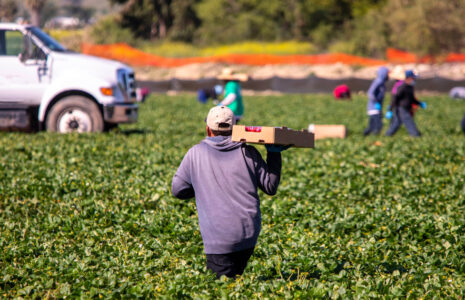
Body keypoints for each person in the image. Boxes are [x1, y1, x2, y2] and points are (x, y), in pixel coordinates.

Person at [171, 106, 289, 279]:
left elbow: (177, 190)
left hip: (218, 239)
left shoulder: (195, 153)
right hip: (248, 235)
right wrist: (273, 154)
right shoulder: (248, 152)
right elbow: (270, 187)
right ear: (235, 127)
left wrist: (201, 187)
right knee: (236, 281)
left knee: (221, 289)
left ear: (208, 129)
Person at [385, 70, 427, 137]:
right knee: (408, 121)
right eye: (413, 78)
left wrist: (420, 103)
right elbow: (395, 98)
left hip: (406, 108)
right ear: (409, 78)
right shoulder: (402, 87)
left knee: (397, 122)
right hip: (401, 108)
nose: (414, 80)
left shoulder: (410, 87)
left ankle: (387, 135)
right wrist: (390, 109)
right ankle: (416, 135)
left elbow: (412, 98)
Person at [363, 66, 389, 136]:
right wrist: (376, 102)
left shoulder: (382, 82)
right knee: (378, 126)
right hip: (374, 108)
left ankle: (365, 135)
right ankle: (374, 138)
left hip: (377, 108)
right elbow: (370, 93)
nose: (388, 75)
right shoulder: (378, 82)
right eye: (387, 73)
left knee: (372, 126)